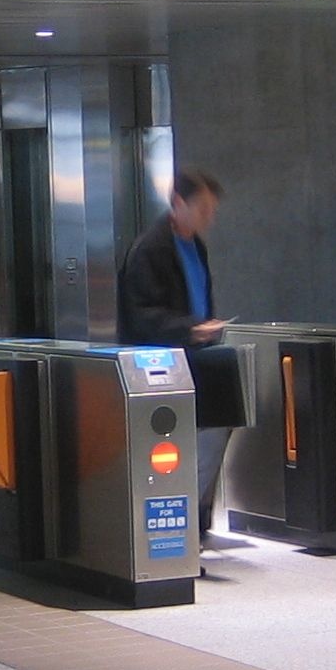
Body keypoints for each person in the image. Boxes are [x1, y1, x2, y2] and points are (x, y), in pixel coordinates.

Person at [118, 165, 234, 534]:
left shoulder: (194, 245)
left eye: (212, 211)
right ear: (178, 203)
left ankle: (197, 520)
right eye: (203, 210)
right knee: (177, 447)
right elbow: (140, 314)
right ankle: (178, 524)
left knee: (211, 436)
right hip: (165, 363)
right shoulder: (150, 249)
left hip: (197, 356)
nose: (209, 219)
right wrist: (190, 328)